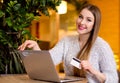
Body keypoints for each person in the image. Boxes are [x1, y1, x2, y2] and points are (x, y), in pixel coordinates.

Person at [18, 3, 118, 83]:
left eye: (88, 20)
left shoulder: (102, 46)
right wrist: (36, 47)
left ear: (94, 25)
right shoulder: (66, 41)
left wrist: (93, 71)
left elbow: (113, 79)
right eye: (80, 17)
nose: (82, 22)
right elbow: (48, 61)